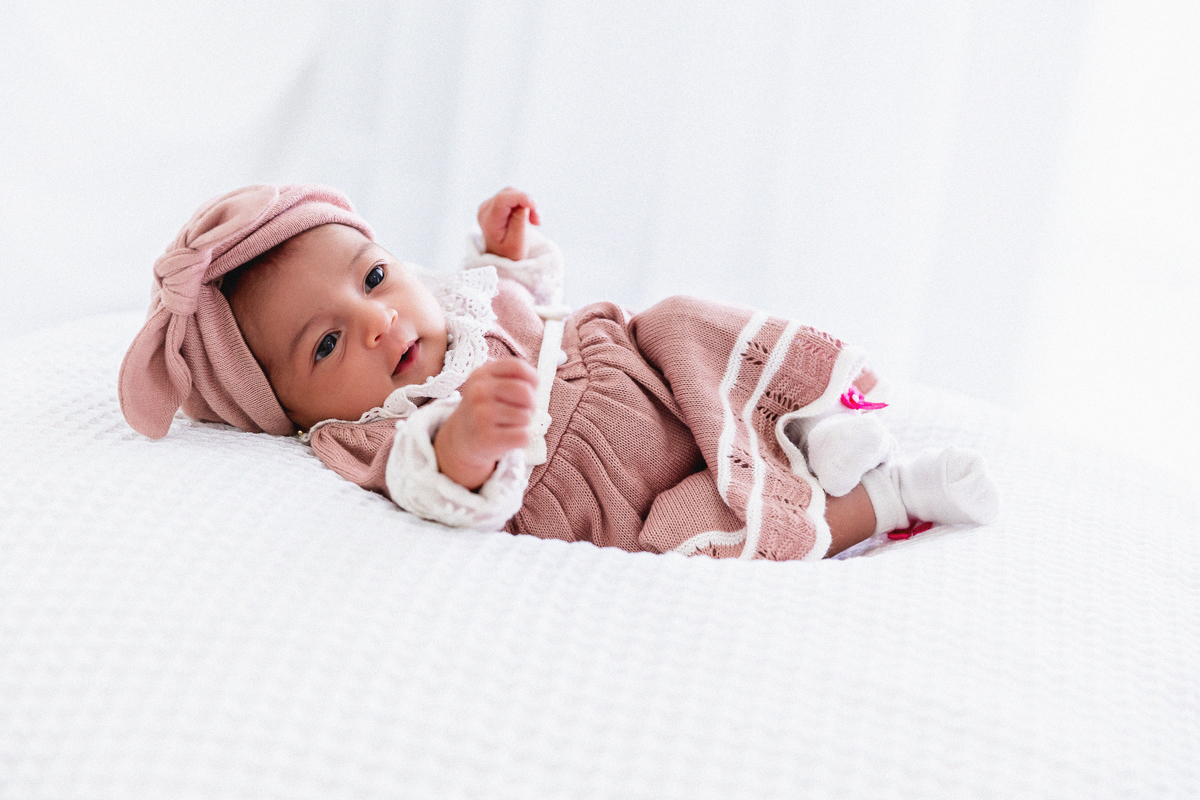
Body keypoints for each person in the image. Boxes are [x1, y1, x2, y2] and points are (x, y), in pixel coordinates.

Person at [119, 184, 999, 559]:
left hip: (642, 375)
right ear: (289, 411)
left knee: (682, 322)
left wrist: (509, 253)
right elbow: (428, 483)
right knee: (694, 535)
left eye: (374, 276)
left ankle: (817, 422)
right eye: (325, 346)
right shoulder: (368, 432)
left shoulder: (446, 305)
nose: (379, 320)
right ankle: (888, 498)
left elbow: (521, 302)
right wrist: (468, 443)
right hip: (614, 493)